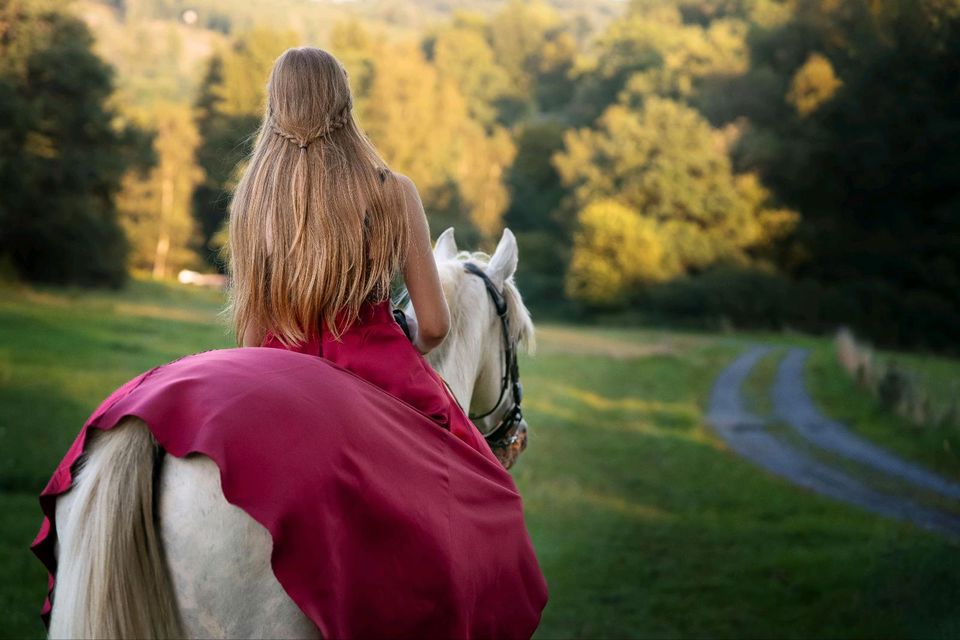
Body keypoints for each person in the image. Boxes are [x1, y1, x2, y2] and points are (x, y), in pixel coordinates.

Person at [228, 46, 491, 457]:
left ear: (276, 106)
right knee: (483, 491)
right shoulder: (394, 192)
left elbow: (251, 332)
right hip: (377, 374)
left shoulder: (253, 197)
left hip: (277, 373)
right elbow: (436, 325)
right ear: (344, 102)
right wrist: (409, 347)